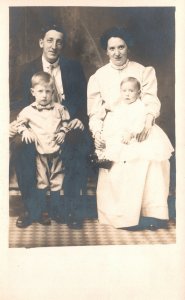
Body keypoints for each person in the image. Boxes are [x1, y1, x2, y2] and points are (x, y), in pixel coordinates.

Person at [87, 26, 173, 230]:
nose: (117, 52)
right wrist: (97, 133)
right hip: (114, 125)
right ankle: (124, 216)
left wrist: (148, 121)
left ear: (128, 48)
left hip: (140, 121)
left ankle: (151, 214)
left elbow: (151, 100)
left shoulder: (142, 71)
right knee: (122, 161)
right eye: (112, 48)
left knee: (151, 156)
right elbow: (95, 111)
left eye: (121, 47)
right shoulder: (99, 76)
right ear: (106, 51)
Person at [10, 23, 90, 229]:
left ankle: (69, 208)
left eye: (59, 42)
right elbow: (17, 104)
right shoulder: (26, 69)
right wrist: (22, 127)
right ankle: (31, 208)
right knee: (21, 145)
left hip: (64, 122)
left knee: (75, 141)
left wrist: (79, 118)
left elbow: (83, 100)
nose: (54, 46)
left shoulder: (73, 67)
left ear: (62, 46)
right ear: (41, 43)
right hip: (35, 124)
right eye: (49, 40)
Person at [16, 71, 71, 224]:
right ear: (33, 92)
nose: (44, 95)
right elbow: (19, 123)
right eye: (40, 91)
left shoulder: (59, 108)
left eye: (48, 91)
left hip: (56, 151)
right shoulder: (28, 110)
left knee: (57, 180)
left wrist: (63, 132)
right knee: (42, 181)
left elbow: (66, 122)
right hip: (40, 153)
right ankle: (40, 212)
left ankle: (56, 210)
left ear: (53, 91)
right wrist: (25, 130)